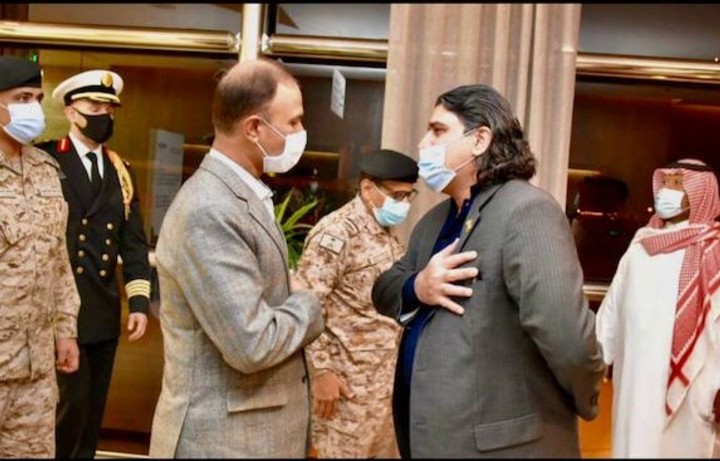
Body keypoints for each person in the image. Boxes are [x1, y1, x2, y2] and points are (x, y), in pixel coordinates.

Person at [371, 83, 606, 458]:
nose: (423, 143)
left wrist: (586, 396)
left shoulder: (527, 211)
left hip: (500, 446)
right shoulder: (433, 222)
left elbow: (568, 337)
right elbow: (384, 289)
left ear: (480, 139)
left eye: (438, 130)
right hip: (431, 439)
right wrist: (419, 286)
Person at [148, 58, 324, 458]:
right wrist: (307, 303)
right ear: (254, 129)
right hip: (223, 442)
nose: (301, 133)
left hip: (252, 436)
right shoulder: (209, 209)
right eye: (293, 122)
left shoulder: (241, 194)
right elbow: (252, 344)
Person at [36, 69, 152, 458]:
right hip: (57, 312)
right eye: (95, 107)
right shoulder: (47, 160)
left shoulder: (121, 171)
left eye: (109, 109)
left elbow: (133, 242)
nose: (104, 115)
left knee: (92, 414)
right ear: (71, 112)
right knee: (68, 410)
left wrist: (139, 302)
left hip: (102, 309)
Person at [296, 149, 419, 458]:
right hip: (345, 390)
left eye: (409, 195)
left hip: (382, 387)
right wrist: (321, 373)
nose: (404, 203)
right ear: (367, 188)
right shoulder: (335, 233)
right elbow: (307, 307)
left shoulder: (386, 232)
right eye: (397, 195)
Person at [595, 158, 720, 457]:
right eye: (664, 182)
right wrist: (593, 361)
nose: (665, 191)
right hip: (635, 380)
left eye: (677, 184)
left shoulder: (714, 251)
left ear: (700, 192)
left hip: (694, 388)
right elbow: (612, 310)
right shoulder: (640, 245)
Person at [0, 55, 80, 458]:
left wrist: (66, 329)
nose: (32, 107)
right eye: (21, 98)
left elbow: (58, 260)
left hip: (35, 372)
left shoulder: (47, 169)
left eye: (36, 98)